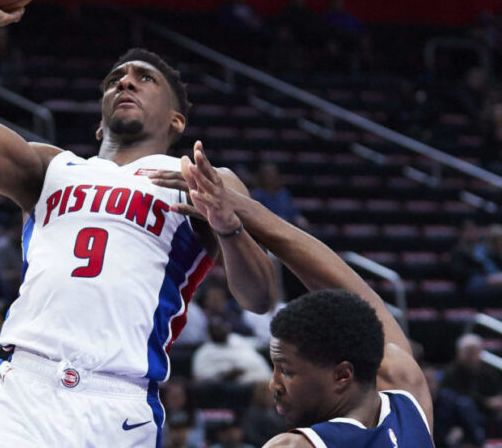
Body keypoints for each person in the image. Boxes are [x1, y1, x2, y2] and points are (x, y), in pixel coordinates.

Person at [0, 0, 276, 447]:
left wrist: (229, 228)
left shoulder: (202, 179)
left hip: (118, 400)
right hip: (24, 390)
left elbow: (259, 298)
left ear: (177, 120)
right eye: (116, 79)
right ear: (99, 120)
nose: (126, 81)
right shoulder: (51, 167)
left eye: (144, 78)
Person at [150, 142, 434, 448]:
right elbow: (358, 296)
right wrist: (235, 212)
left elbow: (352, 291)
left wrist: (239, 212)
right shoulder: (408, 400)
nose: (274, 385)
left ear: (342, 375)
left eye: (286, 370)